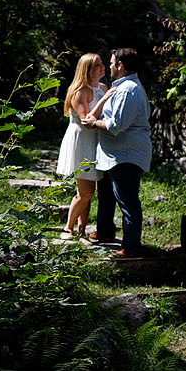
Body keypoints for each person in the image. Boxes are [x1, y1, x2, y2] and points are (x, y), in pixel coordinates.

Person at [82, 46, 151, 260]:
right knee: (107, 196)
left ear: (120, 65)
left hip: (126, 155)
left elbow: (116, 125)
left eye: (111, 63)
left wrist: (94, 123)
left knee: (127, 201)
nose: (109, 67)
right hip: (112, 155)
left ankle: (131, 248)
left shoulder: (129, 89)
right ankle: (105, 232)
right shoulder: (120, 87)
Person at [55, 52, 113, 238]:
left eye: (102, 63)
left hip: (96, 140)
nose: (102, 67)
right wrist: (103, 100)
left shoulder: (102, 87)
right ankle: (68, 228)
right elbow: (87, 120)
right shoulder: (79, 92)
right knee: (85, 191)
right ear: (87, 69)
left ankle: (82, 230)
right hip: (82, 140)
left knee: (90, 189)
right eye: (97, 65)